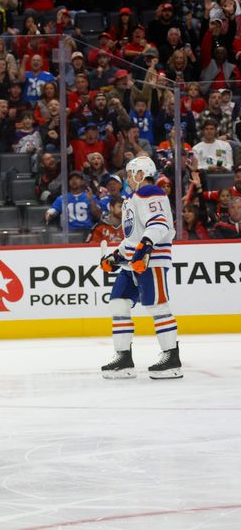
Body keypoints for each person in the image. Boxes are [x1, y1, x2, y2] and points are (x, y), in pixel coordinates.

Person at [99, 156, 181, 380]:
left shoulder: (150, 192)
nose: (126, 178)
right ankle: (123, 358)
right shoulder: (132, 198)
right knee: (118, 303)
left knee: (158, 306)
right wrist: (115, 257)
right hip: (133, 261)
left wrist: (144, 248)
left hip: (151, 259)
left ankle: (172, 359)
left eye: (129, 173)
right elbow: (132, 238)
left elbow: (159, 224)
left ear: (140, 174)